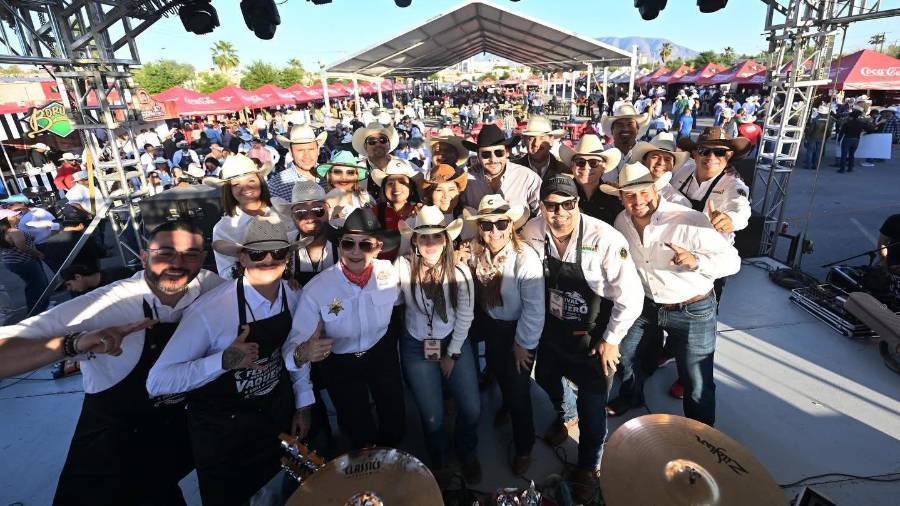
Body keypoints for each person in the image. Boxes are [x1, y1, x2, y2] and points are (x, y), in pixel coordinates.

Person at [0, 220, 223, 504]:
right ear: (144, 257)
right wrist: (72, 343)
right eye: (165, 252)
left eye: (190, 254)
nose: (177, 263)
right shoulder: (106, 304)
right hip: (112, 446)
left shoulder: (209, 286)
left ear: (203, 259)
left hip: (172, 433)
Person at [147, 217, 311, 506]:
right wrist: (222, 361)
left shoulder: (295, 297)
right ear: (242, 257)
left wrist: (303, 405)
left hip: (275, 419)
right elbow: (158, 381)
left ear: (289, 257)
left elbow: (295, 353)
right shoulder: (209, 311)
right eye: (258, 254)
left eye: (279, 252)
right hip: (222, 433)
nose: (269, 260)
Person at [521, 175, 643, 503]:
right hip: (553, 331)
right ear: (542, 206)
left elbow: (631, 296)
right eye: (551, 205)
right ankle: (566, 413)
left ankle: (589, 466)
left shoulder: (604, 238)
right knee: (545, 377)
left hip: (594, 338)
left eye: (567, 204)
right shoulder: (533, 231)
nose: (559, 212)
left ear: (577, 204)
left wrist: (613, 339)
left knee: (594, 409)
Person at [605, 162, 740, 426]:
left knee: (697, 380)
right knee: (626, 353)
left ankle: (701, 434)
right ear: (620, 197)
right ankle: (631, 396)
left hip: (693, 309)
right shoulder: (621, 221)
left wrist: (697, 262)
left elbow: (733, 262)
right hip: (647, 306)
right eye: (629, 194)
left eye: (644, 191)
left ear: (656, 190)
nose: (637, 200)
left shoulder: (689, 219)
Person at [287, 208, 405, 449]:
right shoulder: (317, 290)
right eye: (349, 243)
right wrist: (303, 353)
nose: (355, 252)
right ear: (339, 244)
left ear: (379, 247)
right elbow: (294, 346)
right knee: (356, 427)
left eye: (365, 245)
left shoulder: (391, 273)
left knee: (396, 417)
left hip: (382, 353)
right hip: (340, 363)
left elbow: (407, 299)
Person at [395, 207, 481, 481]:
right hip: (415, 343)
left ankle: (466, 451)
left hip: (453, 340)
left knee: (471, 407)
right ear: (415, 242)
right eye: (424, 238)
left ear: (446, 240)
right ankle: (440, 460)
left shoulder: (459, 271)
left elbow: (466, 315)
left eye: (436, 237)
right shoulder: (403, 266)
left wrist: (452, 354)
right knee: (432, 415)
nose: (430, 243)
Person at [464, 195, 544, 475]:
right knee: (499, 369)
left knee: (519, 390)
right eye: (487, 225)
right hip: (490, 323)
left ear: (511, 225)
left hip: (516, 329)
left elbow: (534, 310)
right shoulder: (476, 251)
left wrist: (523, 344)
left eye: (501, 224)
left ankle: (525, 447)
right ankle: (505, 404)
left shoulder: (525, 259)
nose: (494, 231)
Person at [208, 154, 291, 279]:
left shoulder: (282, 208)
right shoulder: (223, 228)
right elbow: (226, 273)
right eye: (236, 184)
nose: (245, 187)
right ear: (229, 190)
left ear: (260, 181)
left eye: (251, 180)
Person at [461, 124, 542, 217]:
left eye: (499, 153)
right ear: (478, 156)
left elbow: (543, 212)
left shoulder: (526, 177)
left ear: (507, 152)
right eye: (486, 154)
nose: (493, 160)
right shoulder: (467, 180)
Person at [558, 134, 624, 225]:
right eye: (580, 162)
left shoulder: (615, 199)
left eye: (593, 162)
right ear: (572, 166)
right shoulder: (558, 196)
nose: (586, 167)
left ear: (603, 167)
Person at [0, 207, 49, 316]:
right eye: (14, 215)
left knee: (33, 285)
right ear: (7, 219)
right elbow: (22, 246)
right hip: (25, 261)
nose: (18, 216)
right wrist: (38, 254)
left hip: (13, 262)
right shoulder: (14, 231)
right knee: (38, 285)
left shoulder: (4, 233)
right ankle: (37, 310)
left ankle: (40, 306)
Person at [628, 132, 691, 207]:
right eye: (655, 157)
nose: (661, 163)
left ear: (673, 165)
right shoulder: (627, 188)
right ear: (644, 160)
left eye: (667, 159)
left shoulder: (678, 202)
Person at [269, 123, 328, 200]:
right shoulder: (276, 186)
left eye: (311, 149)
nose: (307, 155)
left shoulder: (330, 176)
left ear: (318, 150)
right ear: (291, 152)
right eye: (300, 150)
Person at [352, 122, 399, 201]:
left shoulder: (403, 165)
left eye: (382, 140)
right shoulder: (358, 170)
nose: (378, 144)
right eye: (372, 141)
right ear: (365, 146)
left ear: (389, 144)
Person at [600, 104, 650, 175]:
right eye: (620, 124)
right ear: (612, 130)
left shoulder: (646, 155)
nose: (625, 128)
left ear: (637, 129)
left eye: (630, 124)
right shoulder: (601, 154)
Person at [837, 108, 876, 173]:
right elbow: (870, 130)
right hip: (856, 139)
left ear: (851, 116)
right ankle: (850, 168)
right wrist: (867, 133)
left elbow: (841, 133)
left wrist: (839, 140)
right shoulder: (861, 123)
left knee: (844, 154)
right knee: (852, 154)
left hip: (847, 139)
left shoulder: (847, 123)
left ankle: (842, 169)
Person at [803, 103, 834, 170]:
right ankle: (816, 165)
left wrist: (807, 136)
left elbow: (810, 129)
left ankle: (808, 165)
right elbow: (829, 131)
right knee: (818, 152)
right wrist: (826, 137)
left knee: (810, 151)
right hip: (822, 138)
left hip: (813, 137)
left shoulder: (815, 119)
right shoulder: (829, 120)